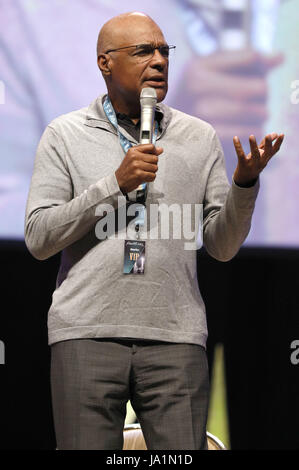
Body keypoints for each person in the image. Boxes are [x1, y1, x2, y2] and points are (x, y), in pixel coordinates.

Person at [24, 12, 284, 450]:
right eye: (144, 51)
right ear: (105, 63)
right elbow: (38, 237)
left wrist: (244, 186)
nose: (159, 60)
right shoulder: (64, 135)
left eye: (164, 50)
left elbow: (221, 247)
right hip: (86, 332)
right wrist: (114, 185)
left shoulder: (198, 136)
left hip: (175, 338)